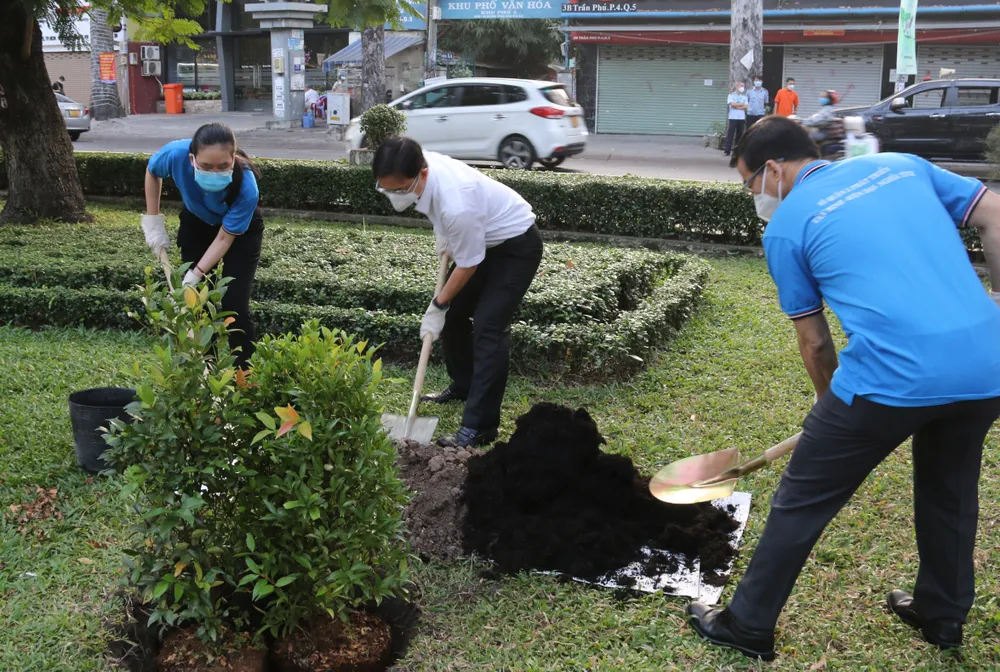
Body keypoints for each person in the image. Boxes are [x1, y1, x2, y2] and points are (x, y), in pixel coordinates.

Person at [685, 116, 1000, 661]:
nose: (754, 195)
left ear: (775, 169)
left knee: (801, 498)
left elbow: (816, 346)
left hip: (886, 379)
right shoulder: (900, 167)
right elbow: (995, 214)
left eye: (750, 183)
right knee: (950, 491)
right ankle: (942, 614)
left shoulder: (786, 229)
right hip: (985, 368)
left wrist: (829, 408)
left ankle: (747, 624)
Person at [373, 136, 543, 448]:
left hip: (516, 247)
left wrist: (437, 304)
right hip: (482, 239)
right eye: (386, 188)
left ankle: (480, 427)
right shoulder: (423, 168)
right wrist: (445, 238)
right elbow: (453, 231)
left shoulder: (457, 204)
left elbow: (468, 265)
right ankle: (464, 384)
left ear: (422, 174)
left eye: (399, 189)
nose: (394, 196)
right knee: (454, 317)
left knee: (489, 327)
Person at [142, 122, 264, 370]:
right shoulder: (174, 154)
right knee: (195, 304)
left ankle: (245, 377)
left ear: (234, 159)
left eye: (223, 166)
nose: (214, 172)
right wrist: (153, 220)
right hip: (196, 222)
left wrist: (193, 275)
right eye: (206, 166)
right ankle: (205, 370)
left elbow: (224, 239)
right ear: (192, 158)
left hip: (239, 233)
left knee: (235, 305)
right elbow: (152, 172)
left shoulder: (247, 187)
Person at [724, 83, 749, 157]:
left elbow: (746, 106)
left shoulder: (744, 96)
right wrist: (741, 104)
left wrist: (737, 106)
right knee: (730, 134)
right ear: (737, 86)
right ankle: (727, 150)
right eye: (741, 86)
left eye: (743, 86)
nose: (742, 87)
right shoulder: (731, 95)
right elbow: (732, 104)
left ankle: (737, 151)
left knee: (739, 135)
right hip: (733, 117)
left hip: (741, 117)